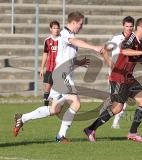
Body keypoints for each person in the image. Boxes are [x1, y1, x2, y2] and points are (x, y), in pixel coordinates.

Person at [13, 11, 102, 143]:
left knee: (55, 109)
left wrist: (78, 62)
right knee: (76, 104)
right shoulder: (66, 33)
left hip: (61, 75)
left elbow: (64, 57)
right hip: (62, 76)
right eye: (80, 24)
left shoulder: (68, 35)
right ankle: (60, 136)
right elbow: (74, 41)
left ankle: (23, 118)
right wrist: (93, 47)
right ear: (73, 23)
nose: (81, 27)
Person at [84, 18, 142, 142]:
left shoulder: (139, 42)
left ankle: (133, 133)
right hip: (119, 78)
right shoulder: (131, 39)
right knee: (117, 108)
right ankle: (91, 129)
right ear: (138, 28)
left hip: (128, 77)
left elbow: (139, 59)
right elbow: (125, 51)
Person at [104, 16, 135, 129]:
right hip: (115, 73)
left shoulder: (135, 39)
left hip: (127, 73)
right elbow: (105, 50)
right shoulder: (117, 38)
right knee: (116, 100)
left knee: (124, 98)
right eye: (127, 26)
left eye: (131, 26)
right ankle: (104, 117)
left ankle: (115, 122)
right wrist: (110, 64)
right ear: (123, 26)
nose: (129, 28)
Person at [39, 20, 60, 106]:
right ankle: (45, 105)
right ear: (50, 29)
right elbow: (45, 54)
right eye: (54, 28)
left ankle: (59, 105)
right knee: (47, 87)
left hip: (60, 67)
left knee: (60, 88)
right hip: (50, 67)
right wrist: (42, 68)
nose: (56, 29)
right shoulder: (47, 41)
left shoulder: (62, 39)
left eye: (58, 28)